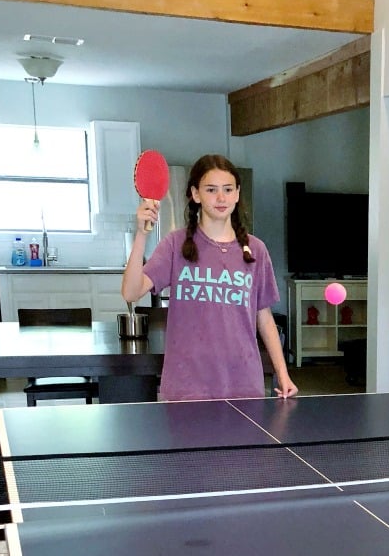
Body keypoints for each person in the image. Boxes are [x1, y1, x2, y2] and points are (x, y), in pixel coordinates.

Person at [122, 154, 297, 400]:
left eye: (228, 189)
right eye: (211, 190)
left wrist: (283, 374)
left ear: (237, 194)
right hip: (187, 386)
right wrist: (141, 234)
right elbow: (131, 292)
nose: (221, 198)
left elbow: (264, 318)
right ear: (196, 194)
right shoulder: (175, 244)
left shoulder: (256, 250)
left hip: (243, 384)